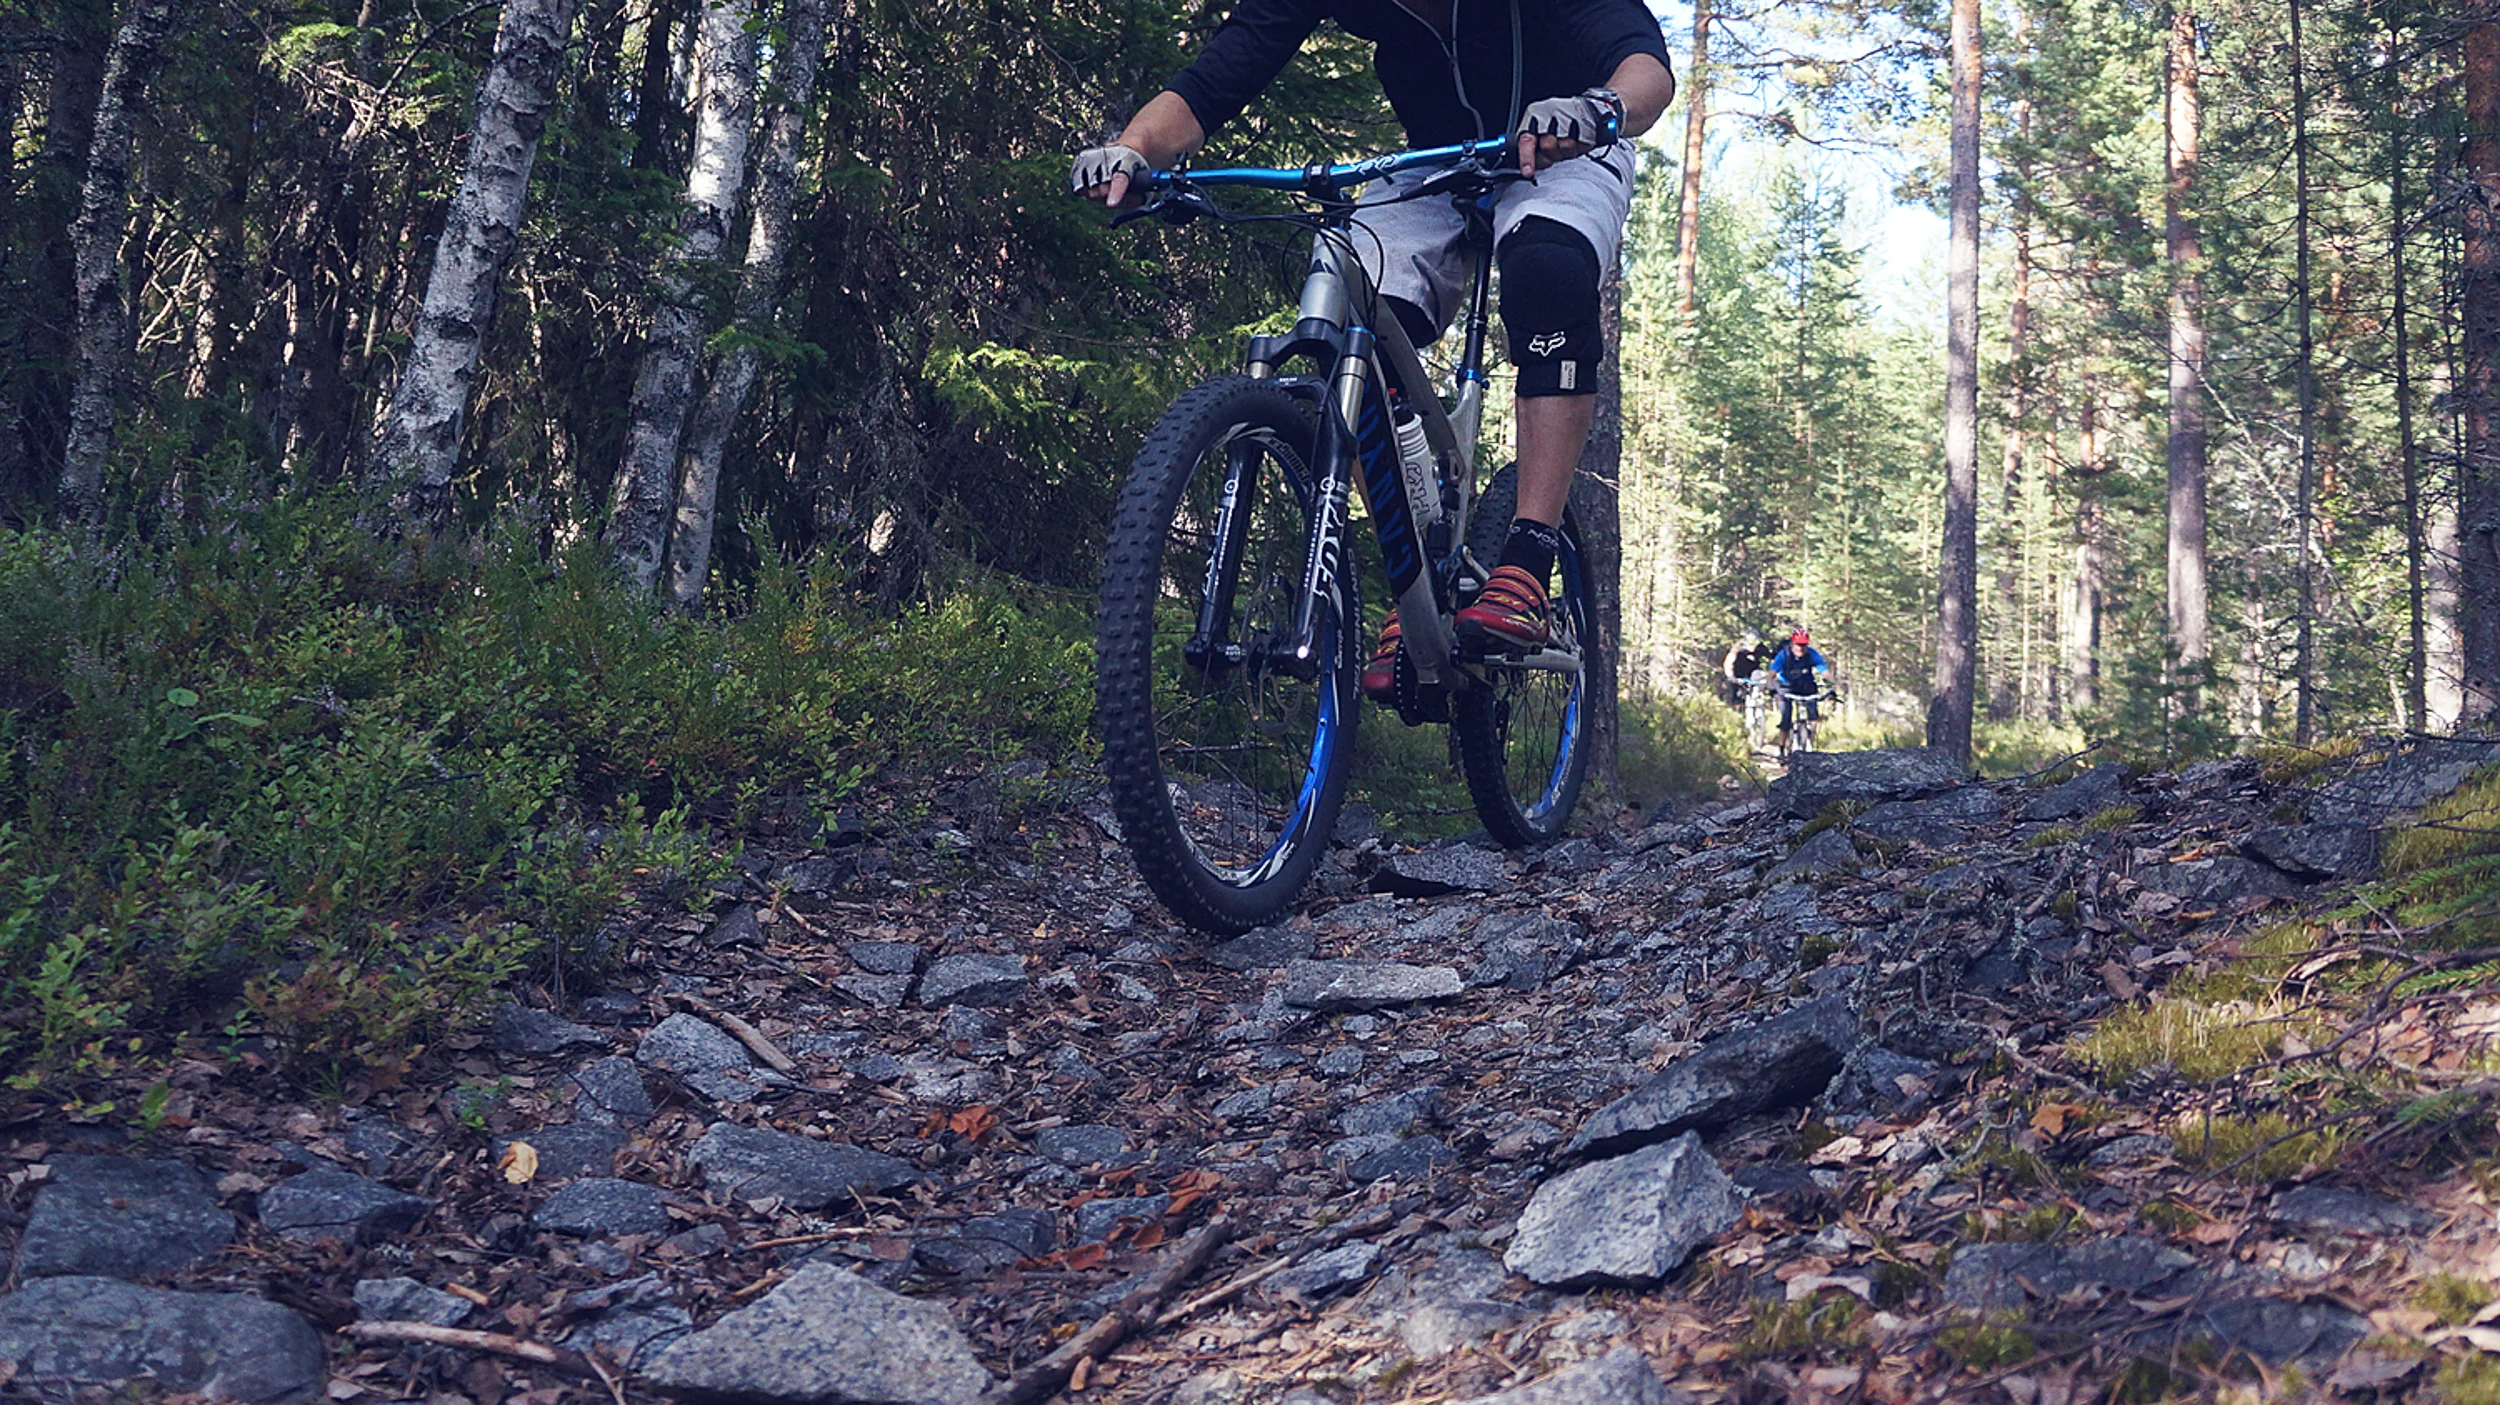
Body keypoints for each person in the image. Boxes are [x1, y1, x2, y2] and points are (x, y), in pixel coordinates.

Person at [1070, 1, 1675, 703]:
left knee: (1548, 269)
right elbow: (1219, 75)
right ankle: (1417, 571)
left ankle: (1530, 553)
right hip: (1433, 165)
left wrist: (1599, 107)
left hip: (1568, 147)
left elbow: (1646, 68)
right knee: (1349, 316)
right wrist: (1135, 148)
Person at [1767, 629, 1830, 753]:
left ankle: (1810, 743)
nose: (1801, 648)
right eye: (1798, 644)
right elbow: (1771, 676)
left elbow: (1825, 672)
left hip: (1805, 686)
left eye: (1804, 645)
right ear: (1792, 643)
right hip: (1785, 686)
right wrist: (1772, 690)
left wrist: (1831, 687)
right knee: (1786, 717)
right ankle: (1781, 748)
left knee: (1813, 714)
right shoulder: (1783, 655)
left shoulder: (1812, 654)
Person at [1720, 629, 1769, 707]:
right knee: (1734, 692)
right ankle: (1736, 707)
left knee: (1758, 680)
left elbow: (1774, 659)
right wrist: (1731, 676)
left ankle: (1758, 701)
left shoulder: (1761, 648)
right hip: (1737, 674)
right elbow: (1728, 663)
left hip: (1753, 673)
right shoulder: (1738, 647)